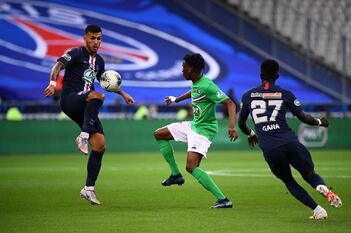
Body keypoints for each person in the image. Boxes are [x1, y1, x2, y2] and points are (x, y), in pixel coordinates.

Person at [238, 59, 342, 219]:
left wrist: (251, 134)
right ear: (277, 76)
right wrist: (321, 122)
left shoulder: (247, 96)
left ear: (260, 75)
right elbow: (304, 118)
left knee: (289, 181)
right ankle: (323, 189)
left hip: (271, 149)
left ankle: (318, 210)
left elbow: (241, 123)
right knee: (309, 174)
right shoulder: (285, 94)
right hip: (290, 142)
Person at [43, 24, 135, 205]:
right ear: (85, 38)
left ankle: (88, 189)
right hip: (70, 99)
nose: (96, 42)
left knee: (100, 145)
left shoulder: (100, 61)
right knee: (97, 96)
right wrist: (53, 83)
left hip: (87, 106)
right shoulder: (76, 53)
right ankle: (83, 136)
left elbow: (104, 82)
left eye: (99, 38)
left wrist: (123, 93)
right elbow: (58, 65)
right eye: (92, 38)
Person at [154, 53, 238, 208]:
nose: (182, 70)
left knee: (191, 167)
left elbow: (230, 104)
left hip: (204, 130)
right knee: (159, 134)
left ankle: (223, 200)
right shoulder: (196, 82)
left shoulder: (207, 85)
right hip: (194, 125)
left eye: (183, 67)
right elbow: (194, 92)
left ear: (191, 69)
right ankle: (175, 175)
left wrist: (232, 127)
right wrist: (176, 99)